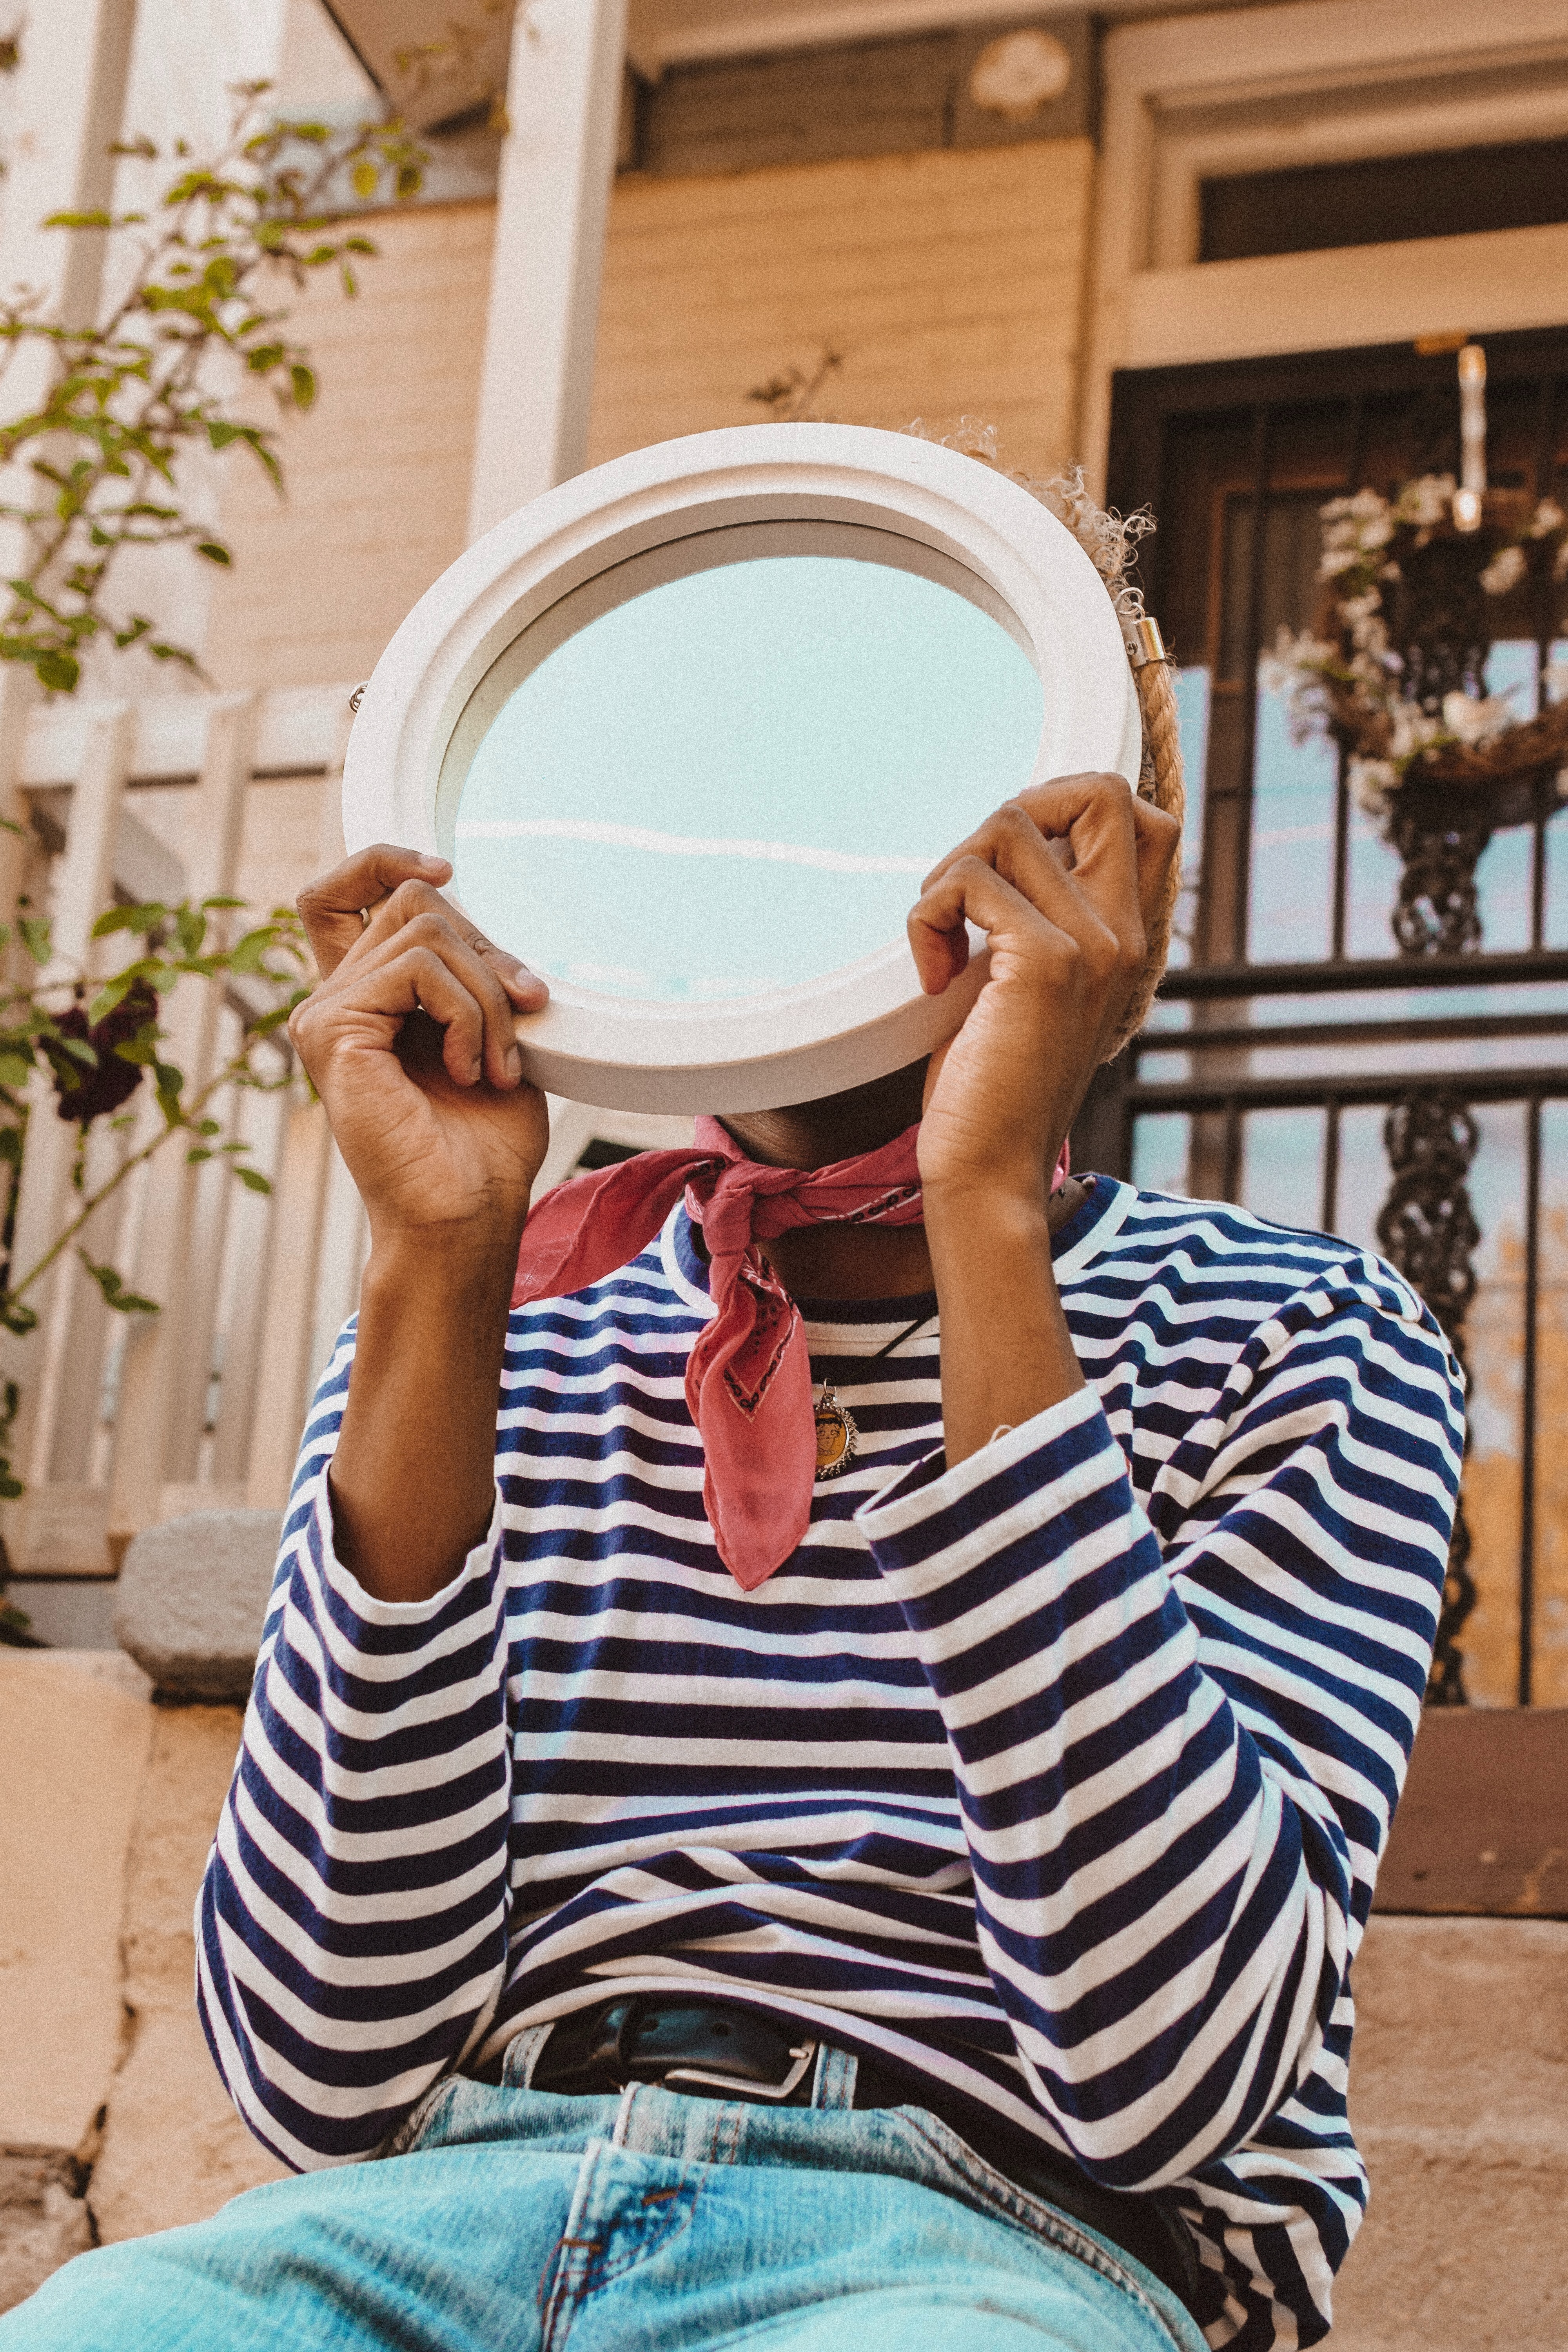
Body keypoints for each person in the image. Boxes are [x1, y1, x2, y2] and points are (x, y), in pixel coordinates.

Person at [2, 771, 1463, 2352]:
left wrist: (983, 1202)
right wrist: (436, 1262)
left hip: (992, 2238)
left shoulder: (1298, 1331)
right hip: (437, 2197)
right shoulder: (510, 1329)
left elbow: (1165, 2081)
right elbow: (321, 2071)